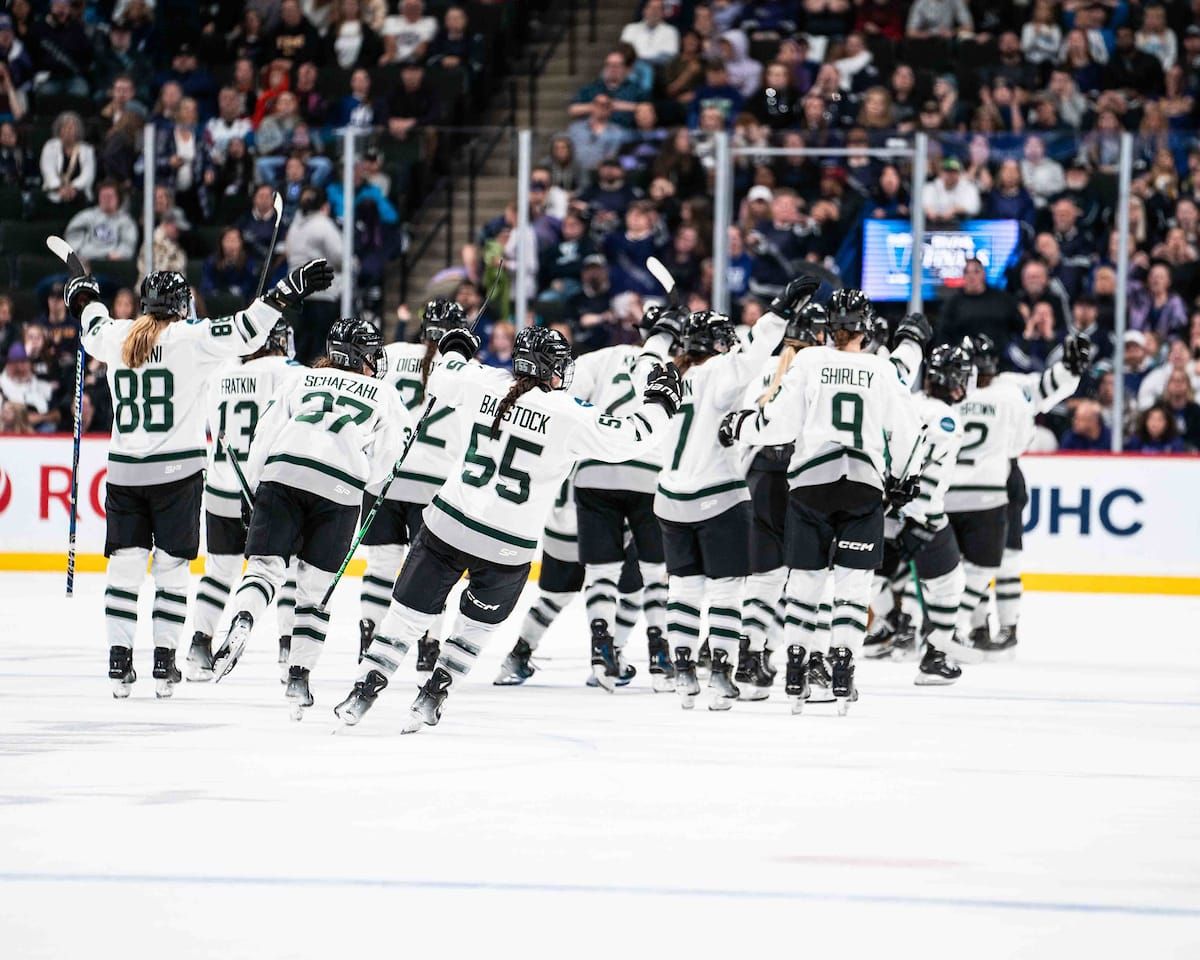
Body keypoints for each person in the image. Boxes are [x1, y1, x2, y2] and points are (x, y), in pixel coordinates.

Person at [334, 325, 683, 732]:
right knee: (472, 630)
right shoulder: (569, 413)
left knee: (406, 617)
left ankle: (363, 691)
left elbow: (443, 374)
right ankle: (433, 695)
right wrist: (660, 402)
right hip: (508, 545)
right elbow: (631, 438)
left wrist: (456, 345)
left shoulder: (483, 382)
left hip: (449, 523)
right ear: (552, 368)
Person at [63, 258, 333, 698]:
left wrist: (84, 295)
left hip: (125, 472)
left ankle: (118, 663)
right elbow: (249, 329)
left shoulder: (117, 335)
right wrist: (287, 290)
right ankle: (164, 664)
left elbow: (92, 322)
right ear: (181, 305)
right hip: (178, 475)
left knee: (125, 569)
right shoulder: (191, 338)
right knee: (171, 571)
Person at [721, 288, 921, 714]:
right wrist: (907, 476)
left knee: (803, 584)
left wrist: (741, 427)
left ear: (829, 328)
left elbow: (778, 426)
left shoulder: (809, 361)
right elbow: (906, 430)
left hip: (807, 483)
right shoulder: (882, 368)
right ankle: (841, 666)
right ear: (865, 329)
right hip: (862, 484)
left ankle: (794, 668)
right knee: (852, 587)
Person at [212, 314, 412, 721]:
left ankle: (244, 617)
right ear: (358, 357)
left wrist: (255, 486)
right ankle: (298, 678)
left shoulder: (300, 378)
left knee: (265, 569)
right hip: (339, 486)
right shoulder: (384, 393)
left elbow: (265, 434)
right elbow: (390, 455)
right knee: (315, 592)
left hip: (282, 472)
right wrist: (364, 479)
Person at [655, 279, 817, 710]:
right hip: (717, 496)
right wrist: (780, 309)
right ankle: (721, 676)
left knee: (683, 589)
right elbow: (756, 348)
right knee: (727, 590)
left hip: (669, 497)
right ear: (719, 344)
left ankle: (683, 672)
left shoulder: (669, 377)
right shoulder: (720, 372)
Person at [526, 305, 679, 691]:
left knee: (600, 573)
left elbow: (562, 397)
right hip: (650, 472)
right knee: (653, 573)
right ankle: (660, 654)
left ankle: (601, 651)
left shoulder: (602, 357)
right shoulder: (672, 366)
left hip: (594, 472)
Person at [356, 299, 475, 673]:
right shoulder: (469, 371)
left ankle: (368, 638)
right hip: (434, 487)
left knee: (380, 567)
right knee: (431, 572)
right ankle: (429, 645)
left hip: (384, 477)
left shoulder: (390, 354)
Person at [963, 331, 1091, 658]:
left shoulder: (967, 389)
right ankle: (983, 626)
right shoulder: (1007, 388)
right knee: (977, 563)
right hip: (984, 480)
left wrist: (1069, 368)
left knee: (1000, 559)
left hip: (994, 479)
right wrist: (1069, 369)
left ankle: (1004, 627)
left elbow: (1048, 385)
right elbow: (1048, 386)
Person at [189, 317, 301, 681]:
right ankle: (287, 651)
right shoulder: (286, 371)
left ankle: (198, 648)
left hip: (220, 487)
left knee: (218, 572)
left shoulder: (221, 373)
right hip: (264, 490)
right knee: (284, 570)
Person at [872, 339, 980, 684]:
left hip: (880, 509)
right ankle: (935, 657)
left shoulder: (909, 401)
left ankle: (892, 626)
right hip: (919, 513)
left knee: (871, 576)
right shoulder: (945, 418)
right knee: (949, 583)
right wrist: (917, 518)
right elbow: (923, 469)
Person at [737, 301, 830, 700]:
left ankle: (748, 661)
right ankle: (814, 664)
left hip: (759, 477)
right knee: (814, 577)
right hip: (805, 477)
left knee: (766, 577)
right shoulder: (821, 368)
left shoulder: (761, 367)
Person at [285, 185, 342, 363]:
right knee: (318, 348)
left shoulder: (295, 227)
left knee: (302, 345)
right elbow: (340, 257)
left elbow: (288, 252)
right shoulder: (324, 225)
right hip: (322, 295)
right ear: (324, 205)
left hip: (298, 294)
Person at [936, 258, 1023, 356]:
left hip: (1001, 358)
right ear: (963, 276)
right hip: (965, 359)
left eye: (976, 271)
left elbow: (1018, 328)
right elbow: (943, 335)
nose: (971, 276)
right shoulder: (953, 304)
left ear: (983, 274)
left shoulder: (1003, 300)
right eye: (967, 272)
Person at [64, 180, 139, 263]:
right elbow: (72, 236)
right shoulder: (86, 216)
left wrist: (118, 254)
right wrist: (78, 253)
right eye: (103, 196)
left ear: (118, 198)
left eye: (110, 196)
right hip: (86, 261)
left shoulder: (126, 221)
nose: (107, 200)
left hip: (112, 264)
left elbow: (128, 247)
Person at [200, 226, 259, 301]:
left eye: (234, 241)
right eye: (228, 240)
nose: (231, 245)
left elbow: (250, 288)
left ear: (241, 243)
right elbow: (206, 286)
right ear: (221, 243)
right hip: (217, 302)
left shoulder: (249, 263)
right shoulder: (211, 262)